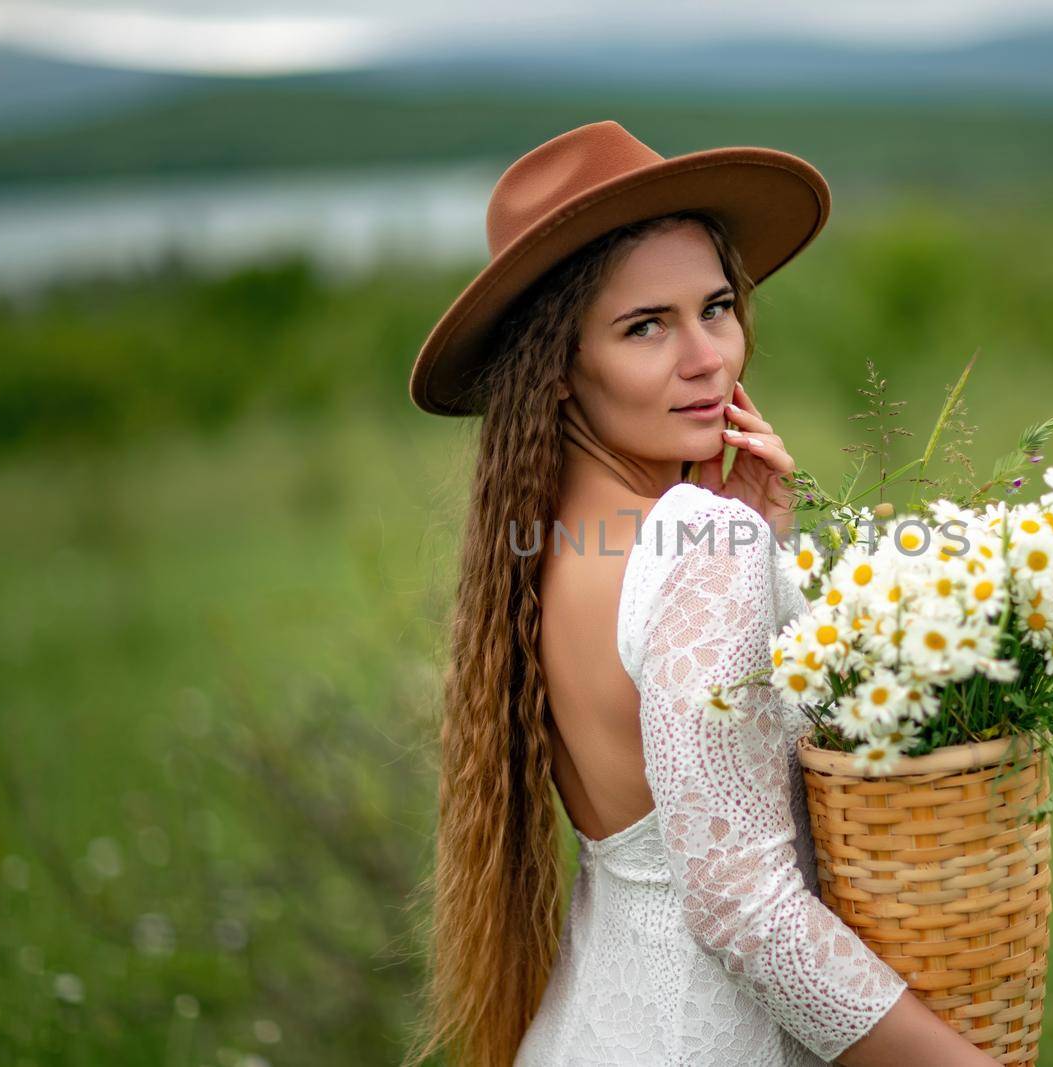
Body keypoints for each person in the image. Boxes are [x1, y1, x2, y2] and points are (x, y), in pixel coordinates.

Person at [405, 120, 996, 1067]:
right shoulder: (694, 541)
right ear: (558, 368)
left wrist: (765, 553)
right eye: (647, 326)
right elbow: (745, 902)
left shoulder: (538, 551)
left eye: (715, 308)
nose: (708, 357)